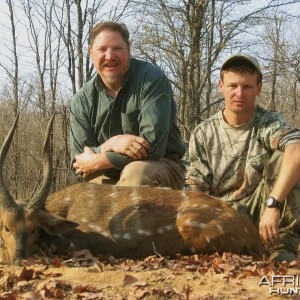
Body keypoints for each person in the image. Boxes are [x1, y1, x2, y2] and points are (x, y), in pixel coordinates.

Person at [187, 53, 300, 262]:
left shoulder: (269, 123)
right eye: (233, 86)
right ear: (220, 86)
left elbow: (297, 148)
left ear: (259, 89)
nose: (240, 93)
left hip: (264, 212)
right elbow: (194, 190)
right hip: (222, 218)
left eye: (247, 87)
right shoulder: (203, 133)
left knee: (287, 157)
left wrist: (273, 204)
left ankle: (281, 246)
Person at [70, 21, 186, 189]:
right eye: (102, 49)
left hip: (160, 166)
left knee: (135, 173)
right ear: (90, 52)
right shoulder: (80, 100)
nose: (109, 56)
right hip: (106, 173)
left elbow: (153, 146)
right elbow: (80, 162)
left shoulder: (152, 79)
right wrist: (109, 145)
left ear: (129, 49)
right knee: (84, 195)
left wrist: (100, 157)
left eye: (117, 48)